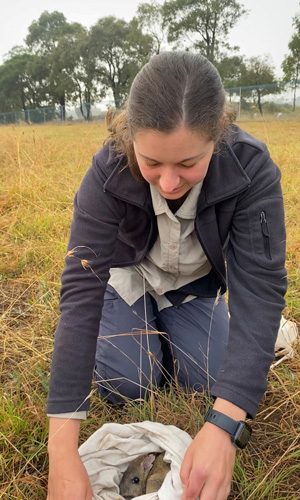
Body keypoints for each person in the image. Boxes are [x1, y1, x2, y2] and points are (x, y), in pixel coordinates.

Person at [46, 51, 287, 500]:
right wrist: (61, 451)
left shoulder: (250, 168)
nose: (170, 182)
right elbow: (81, 289)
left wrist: (225, 424)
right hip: (130, 275)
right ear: (130, 136)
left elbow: (261, 288)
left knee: (214, 380)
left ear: (218, 135)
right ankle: (139, 328)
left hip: (190, 285)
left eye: (189, 163)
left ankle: (175, 327)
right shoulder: (108, 169)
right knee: (130, 380)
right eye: (152, 163)